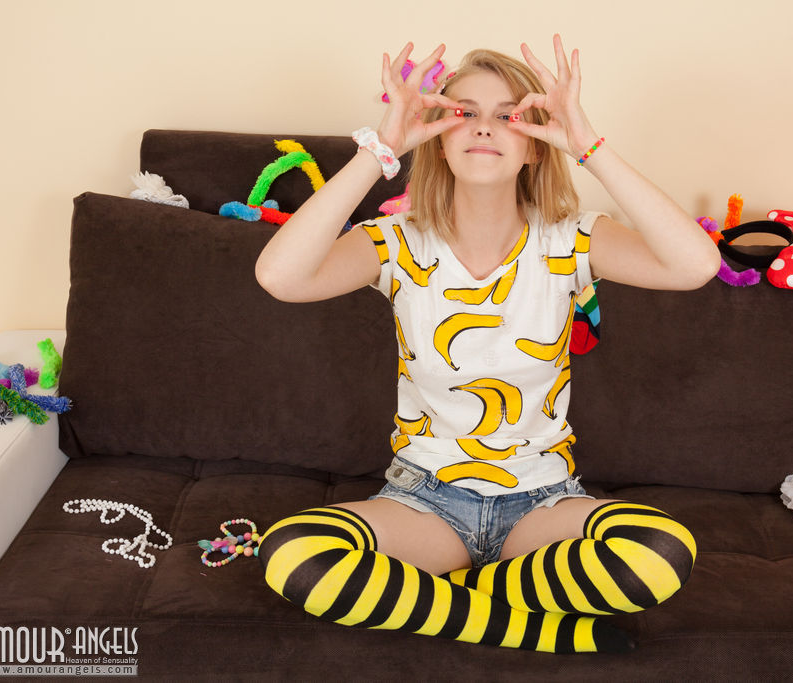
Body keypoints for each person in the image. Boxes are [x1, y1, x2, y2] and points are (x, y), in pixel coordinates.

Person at [255, 36, 720, 653]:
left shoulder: (572, 240)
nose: (484, 127)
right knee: (293, 555)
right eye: (464, 112)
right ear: (438, 138)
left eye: (508, 116)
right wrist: (381, 149)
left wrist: (587, 144)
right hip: (423, 502)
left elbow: (696, 265)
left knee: (660, 552)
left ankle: (459, 594)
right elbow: (280, 278)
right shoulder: (396, 242)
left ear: (535, 144)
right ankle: (531, 627)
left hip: (543, 504)